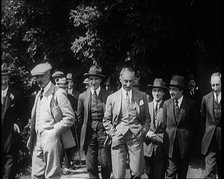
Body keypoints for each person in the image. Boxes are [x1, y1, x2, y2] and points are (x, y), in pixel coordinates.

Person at [27, 62, 76, 179]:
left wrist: (54, 131)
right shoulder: (39, 94)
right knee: (36, 175)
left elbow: (70, 117)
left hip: (51, 138)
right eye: (37, 77)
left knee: (52, 175)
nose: (39, 80)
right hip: (37, 140)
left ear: (49, 74)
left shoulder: (58, 93)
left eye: (42, 76)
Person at [103, 67, 150, 179]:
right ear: (120, 79)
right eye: (126, 81)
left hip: (135, 137)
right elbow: (106, 120)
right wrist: (113, 134)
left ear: (134, 81)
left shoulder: (142, 96)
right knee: (118, 175)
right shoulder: (112, 98)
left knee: (137, 172)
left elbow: (147, 118)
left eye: (131, 81)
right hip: (118, 137)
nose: (128, 84)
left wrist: (143, 131)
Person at [77, 65, 112, 179]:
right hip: (89, 134)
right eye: (91, 79)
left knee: (106, 163)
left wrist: (110, 132)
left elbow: (113, 116)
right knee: (91, 166)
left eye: (96, 79)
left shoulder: (108, 96)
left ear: (100, 80)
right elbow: (80, 117)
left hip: (104, 133)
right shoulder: (82, 97)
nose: (93, 82)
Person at [163, 75, 196, 179]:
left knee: (182, 175)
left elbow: (194, 124)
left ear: (181, 90)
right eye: (170, 89)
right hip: (170, 147)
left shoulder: (190, 104)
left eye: (174, 90)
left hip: (184, 147)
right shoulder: (166, 104)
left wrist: (188, 137)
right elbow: (164, 124)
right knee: (170, 174)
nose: (171, 92)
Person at [1, 63, 28, 179]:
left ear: (9, 78)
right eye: (1, 78)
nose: (3, 81)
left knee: (9, 171)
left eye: (6, 78)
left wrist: (18, 124)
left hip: (11, 139)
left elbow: (24, 116)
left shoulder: (16, 95)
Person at [143, 78, 168, 179]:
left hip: (161, 148)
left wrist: (158, 138)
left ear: (163, 93)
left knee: (159, 174)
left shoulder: (167, 107)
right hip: (147, 146)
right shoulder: (146, 106)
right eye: (154, 91)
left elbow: (169, 127)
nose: (156, 93)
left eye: (159, 91)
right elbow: (140, 123)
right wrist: (147, 132)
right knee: (149, 173)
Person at [201, 72, 221, 179]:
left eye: (217, 84)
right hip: (210, 140)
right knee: (209, 173)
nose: (215, 88)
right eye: (213, 85)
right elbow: (203, 118)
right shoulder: (205, 99)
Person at [56, 78, 79, 171]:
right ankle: (59, 166)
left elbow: (75, 111)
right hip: (58, 124)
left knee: (69, 145)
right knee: (58, 146)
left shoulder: (72, 98)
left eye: (64, 87)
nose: (63, 89)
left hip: (69, 125)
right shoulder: (55, 96)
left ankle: (67, 164)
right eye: (61, 87)